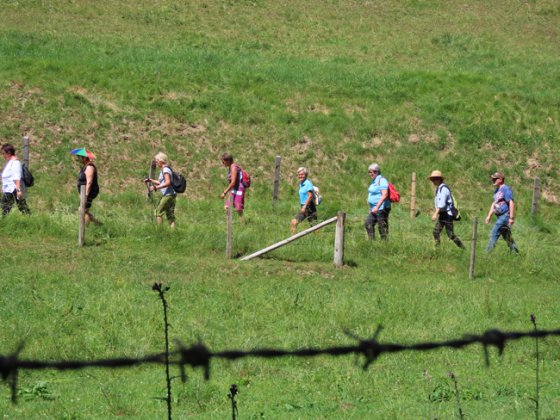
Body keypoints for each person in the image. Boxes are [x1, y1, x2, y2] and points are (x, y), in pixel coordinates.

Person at [428, 170, 464, 249]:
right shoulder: (439, 189)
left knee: (450, 235)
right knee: (436, 232)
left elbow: (442, 203)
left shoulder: (444, 189)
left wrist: (435, 213)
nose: (433, 181)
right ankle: (438, 249)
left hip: (448, 215)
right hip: (443, 214)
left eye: (435, 179)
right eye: (432, 179)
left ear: (440, 179)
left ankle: (463, 248)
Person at [485, 171, 519, 253]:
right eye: (492, 179)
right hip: (499, 216)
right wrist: (489, 216)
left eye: (495, 179)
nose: (493, 180)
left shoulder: (505, 189)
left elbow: (511, 202)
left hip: (505, 216)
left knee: (494, 233)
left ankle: (486, 253)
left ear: (500, 179)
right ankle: (515, 253)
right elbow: (494, 203)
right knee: (506, 236)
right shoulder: (497, 191)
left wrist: (511, 217)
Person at [144, 152, 176, 228]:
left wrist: (155, 188)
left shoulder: (165, 170)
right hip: (171, 195)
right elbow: (160, 182)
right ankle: (173, 232)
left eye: (156, 160)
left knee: (158, 212)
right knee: (170, 215)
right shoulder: (166, 169)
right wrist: (150, 180)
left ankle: (160, 231)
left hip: (168, 195)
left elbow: (168, 183)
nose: (155, 163)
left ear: (161, 161)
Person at [1, 143, 31, 216]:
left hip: (13, 189)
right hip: (9, 189)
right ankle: (29, 218)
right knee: (21, 207)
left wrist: (18, 191)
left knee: (7, 207)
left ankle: (3, 222)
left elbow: (17, 177)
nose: (3, 156)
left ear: (9, 153)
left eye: (3, 153)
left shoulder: (15, 163)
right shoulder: (10, 163)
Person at [364, 163, 391, 240]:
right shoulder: (374, 181)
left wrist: (377, 207)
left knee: (382, 226)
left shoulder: (382, 180)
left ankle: (384, 244)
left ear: (376, 171)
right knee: (368, 223)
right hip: (375, 208)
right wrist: (371, 208)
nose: (370, 174)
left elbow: (385, 194)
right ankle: (371, 242)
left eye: (371, 172)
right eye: (369, 172)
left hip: (382, 208)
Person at [219, 153, 246, 220]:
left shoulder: (234, 168)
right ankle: (229, 225)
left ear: (228, 161)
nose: (223, 163)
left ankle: (242, 224)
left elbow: (233, 183)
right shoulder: (231, 167)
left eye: (223, 162)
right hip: (234, 190)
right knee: (227, 207)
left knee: (239, 209)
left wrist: (224, 192)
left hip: (239, 190)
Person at [75, 154, 100, 225]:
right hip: (84, 192)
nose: (78, 159)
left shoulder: (89, 167)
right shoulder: (85, 166)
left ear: (84, 158)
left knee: (83, 210)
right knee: (83, 210)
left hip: (89, 192)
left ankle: (86, 228)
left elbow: (89, 182)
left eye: (79, 157)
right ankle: (98, 224)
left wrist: (86, 195)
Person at [291, 167, 317, 234]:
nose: (300, 176)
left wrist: (304, 207)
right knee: (314, 227)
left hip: (308, 207)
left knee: (294, 222)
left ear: (306, 175)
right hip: (305, 206)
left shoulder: (308, 183)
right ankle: (317, 238)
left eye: (302, 174)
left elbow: (310, 196)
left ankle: (292, 238)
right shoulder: (301, 184)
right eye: (299, 174)